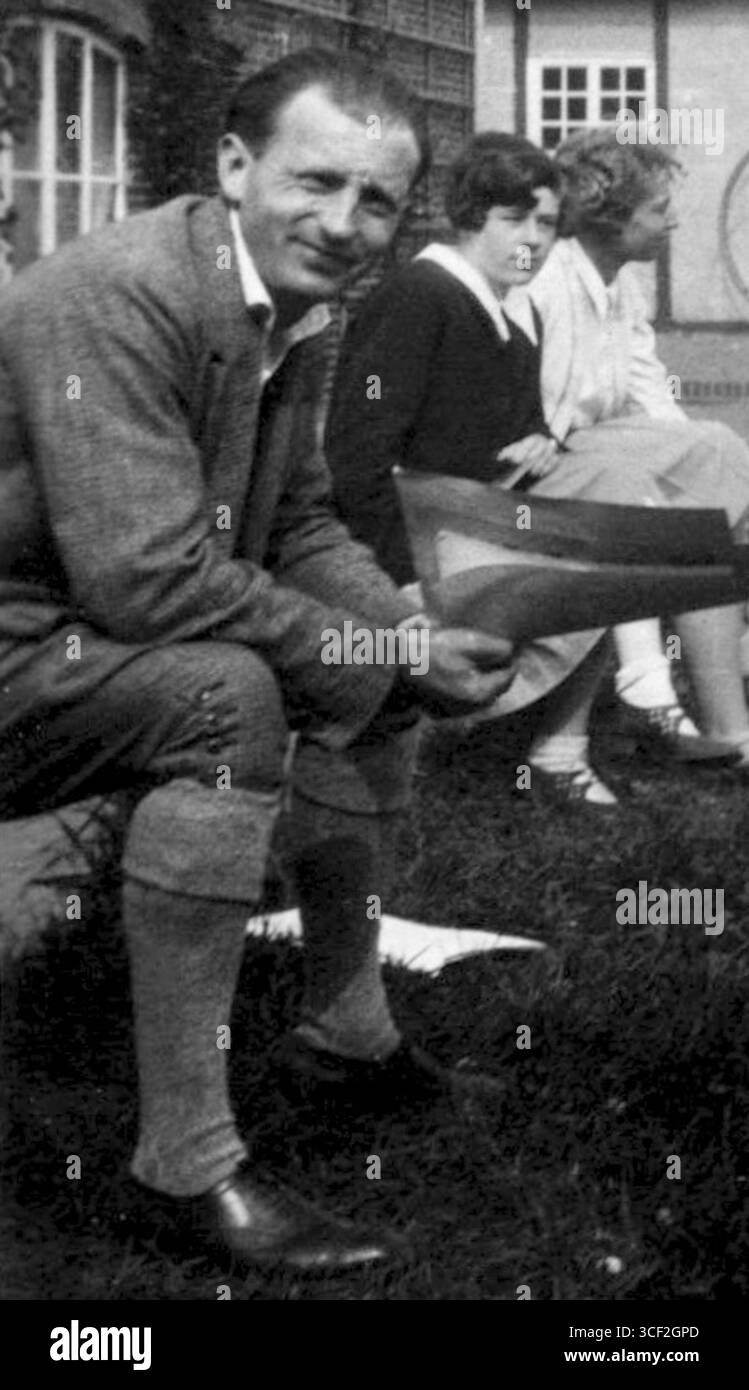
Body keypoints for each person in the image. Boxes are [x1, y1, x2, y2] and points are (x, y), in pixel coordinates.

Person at [0, 49, 516, 1274]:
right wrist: (374, 640)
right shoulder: (115, 292)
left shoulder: (297, 305)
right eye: (315, 181)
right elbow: (150, 577)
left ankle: (344, 1028)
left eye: (377, 201)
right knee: (222, 699)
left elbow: (294, 527)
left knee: (376, 656)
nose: (344, 225)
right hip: (25, 640)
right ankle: (186, 1163)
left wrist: (400, 635)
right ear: (235, 166)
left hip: (70, 641)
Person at [326, 132, 727, 809]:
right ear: (467, 217)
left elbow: (502, 431)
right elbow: (356, 465)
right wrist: (395, 594)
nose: (533, 240)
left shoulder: (507, 309)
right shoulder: (419, 297)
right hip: (410, 563)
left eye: (545, 223)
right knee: (615, 527)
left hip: (475, 527)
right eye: (514, 220)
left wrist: (537, 442)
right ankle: (569, 721)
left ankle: (565, 743)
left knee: (641, 504)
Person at [507, 126, 749, 770]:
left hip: (596, 464)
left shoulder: (623, 286)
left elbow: (653, 403)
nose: (672, 221)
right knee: (640, 489)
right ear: (609, 220)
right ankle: (647, 685)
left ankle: (732, 729)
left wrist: (698, 479)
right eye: (658, 210)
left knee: (718, 450)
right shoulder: (545, 283)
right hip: (525, 485)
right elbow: (529, 423)